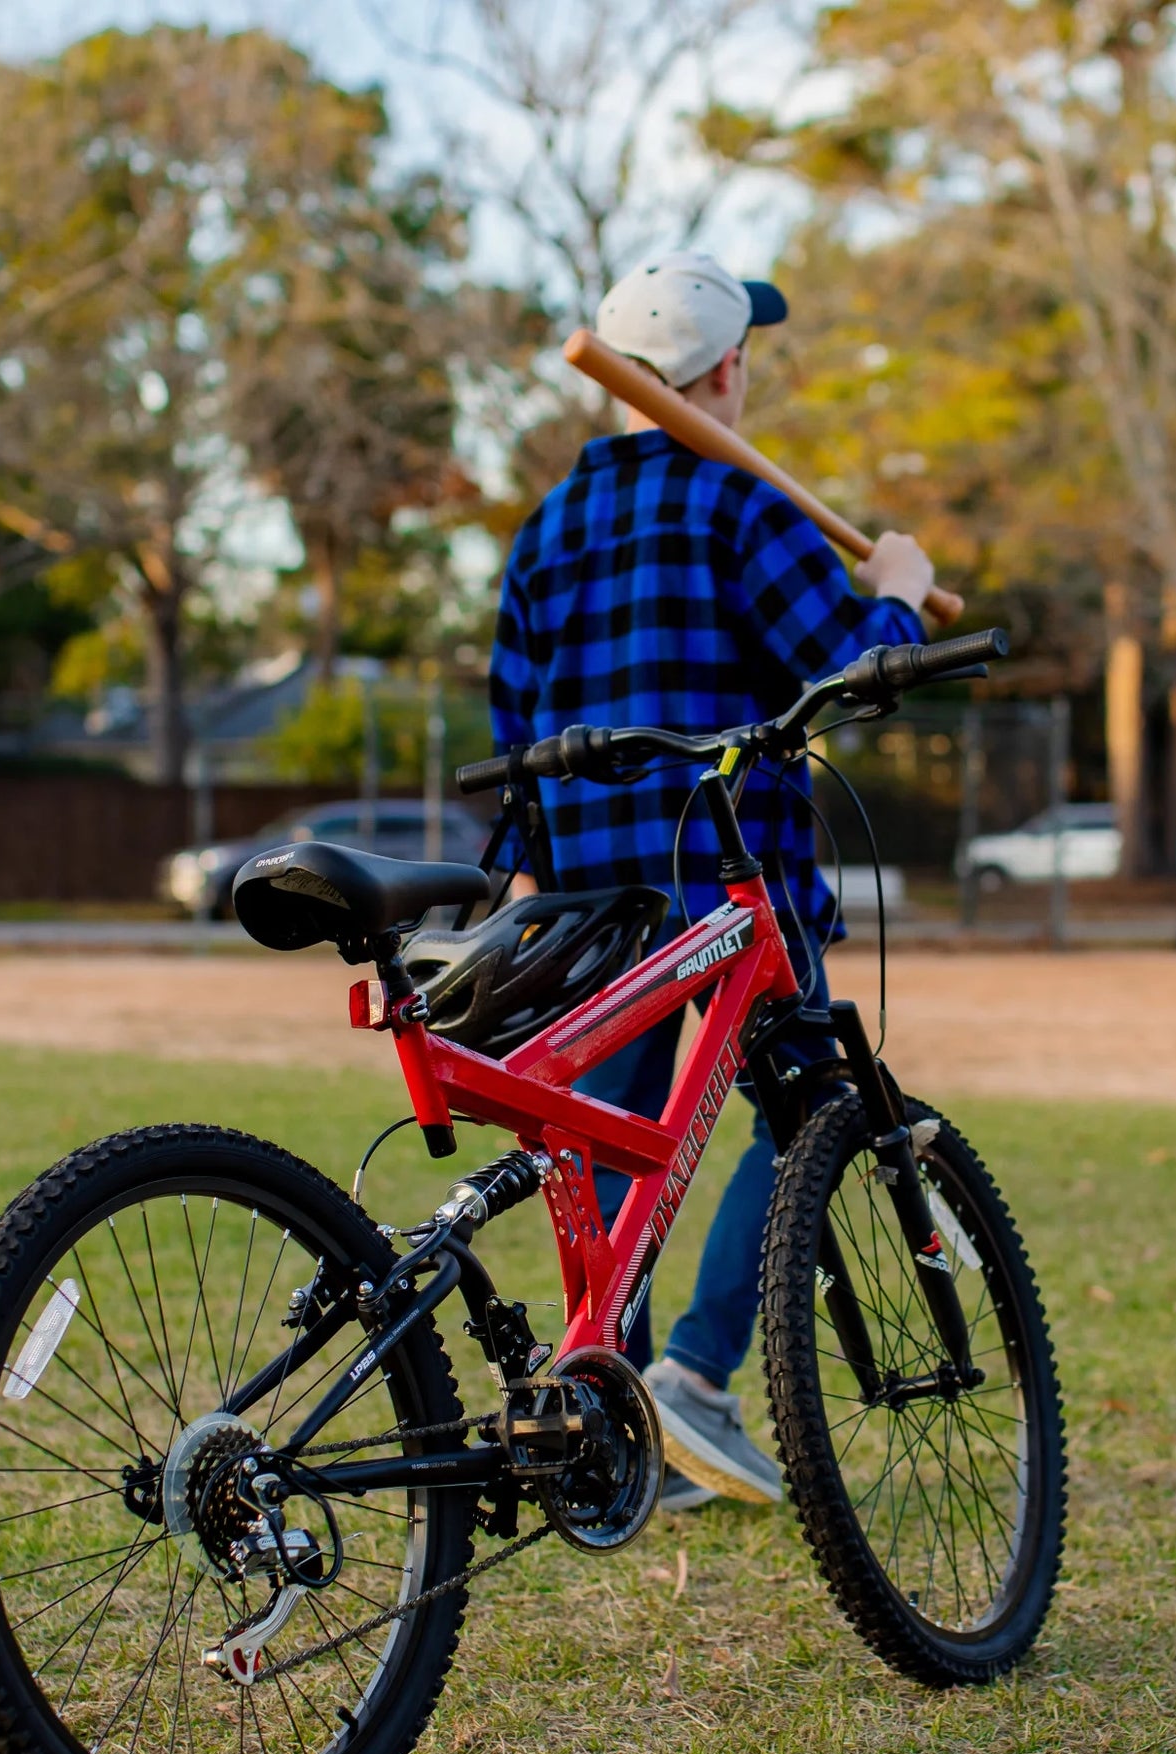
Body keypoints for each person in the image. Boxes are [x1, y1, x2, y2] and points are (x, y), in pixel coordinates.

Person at [489, 250, 935, 1511]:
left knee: (611, 1148)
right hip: (730, 885)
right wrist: (895, 594)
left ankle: (603, 1410)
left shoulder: (547, 528)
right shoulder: (741, 506)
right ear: (727, 369)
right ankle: (686, 1378)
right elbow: (847, 670)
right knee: (813, 1114)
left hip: (592, 899)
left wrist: (533, 874)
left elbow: (513, 720)